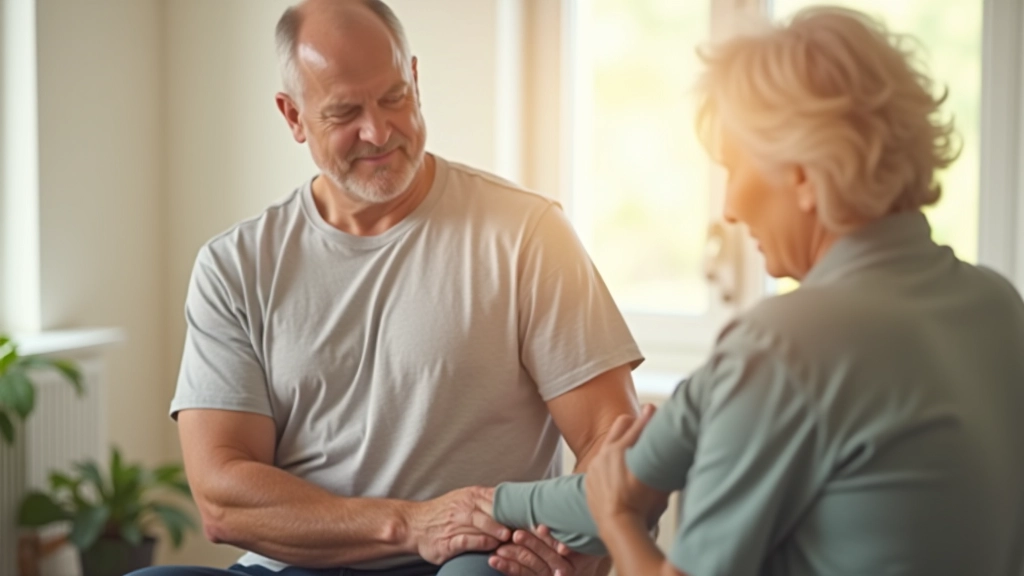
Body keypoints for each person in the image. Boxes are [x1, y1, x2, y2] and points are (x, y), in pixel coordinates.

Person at [490, 6, 1024, 576]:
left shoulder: (787, 342)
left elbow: (614, 500)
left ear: (800, 174)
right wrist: (484, 504)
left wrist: (619, 520)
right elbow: (631, 467)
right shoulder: (999, 304)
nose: (730, 206)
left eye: (734, 168)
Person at [130, 1, 644, 575]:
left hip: (472, 559)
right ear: (293, 116)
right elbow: (224, 495)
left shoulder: (526, 233)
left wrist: (572, 553)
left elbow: (612, 436)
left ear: (416, 82)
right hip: (301, 564)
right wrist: (410, 523)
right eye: (344, 111)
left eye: (394, 98)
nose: (378, 131)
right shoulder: (235, 266)